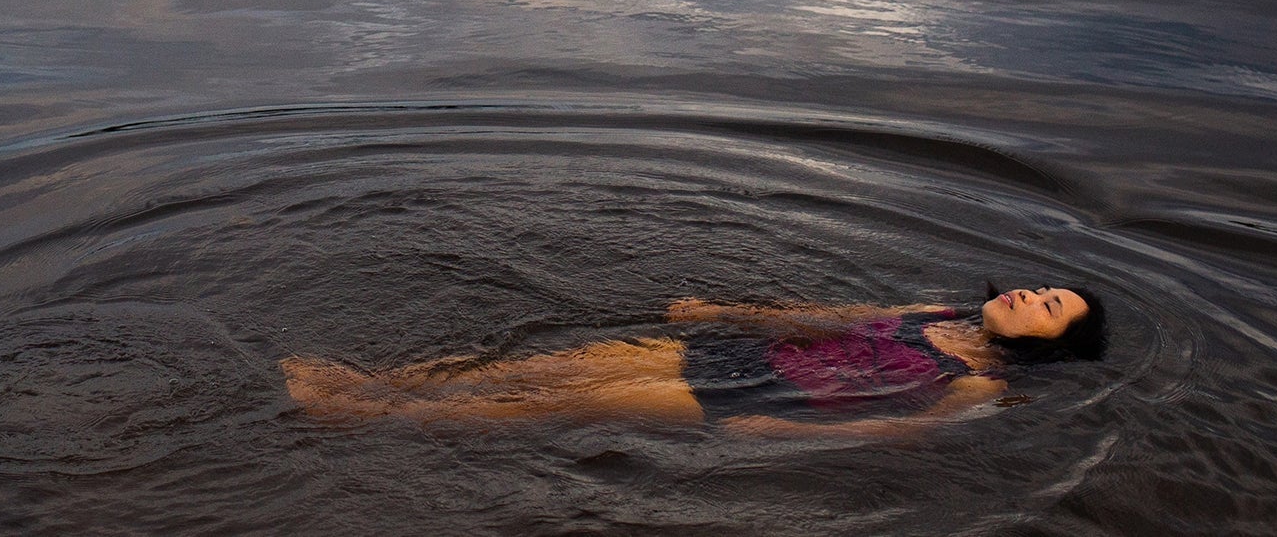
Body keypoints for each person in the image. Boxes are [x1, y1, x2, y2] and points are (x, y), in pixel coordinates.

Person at [281, 285, 1104, 438]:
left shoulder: (980, 388)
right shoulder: (937, 311)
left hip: (768, 398)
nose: (1032, 296)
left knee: (555, 401)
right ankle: (376, 385)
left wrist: (771, 434)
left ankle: (358, 415)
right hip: (739, 353)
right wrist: (724, 312)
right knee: (552, 365)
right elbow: (816, 321)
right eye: (1038, 288)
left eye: (1052, 307)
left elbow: (891, 435)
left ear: (1053, 346)